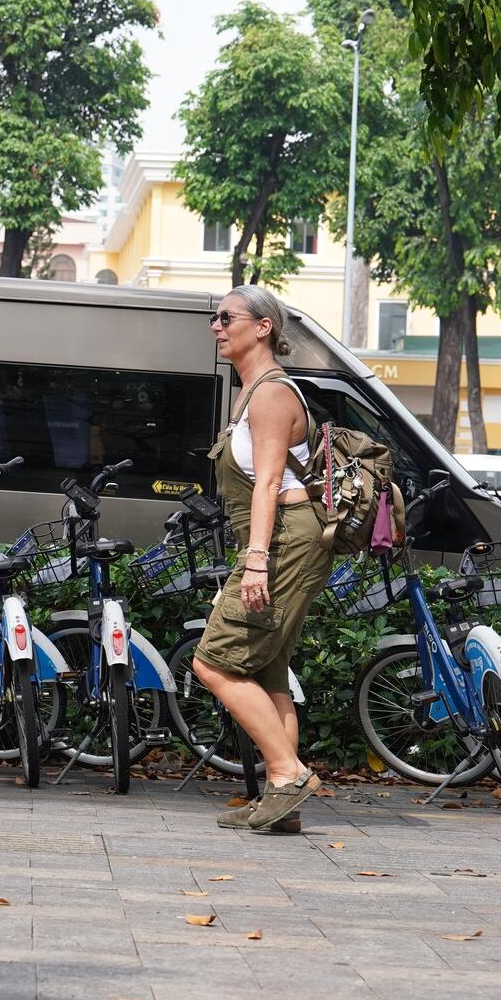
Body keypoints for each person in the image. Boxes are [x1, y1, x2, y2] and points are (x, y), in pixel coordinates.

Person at [191, 286, 333, 834]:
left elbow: (269, 482)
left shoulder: (273, 394)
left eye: (226, 317)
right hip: (275, 539)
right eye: (215, 318)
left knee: (214, 662)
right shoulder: (248, 393)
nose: (216, 326)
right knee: (266, 666)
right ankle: (284, 811)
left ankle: (286, 774)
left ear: (263, 327)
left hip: (284, 541)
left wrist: (254, 563)